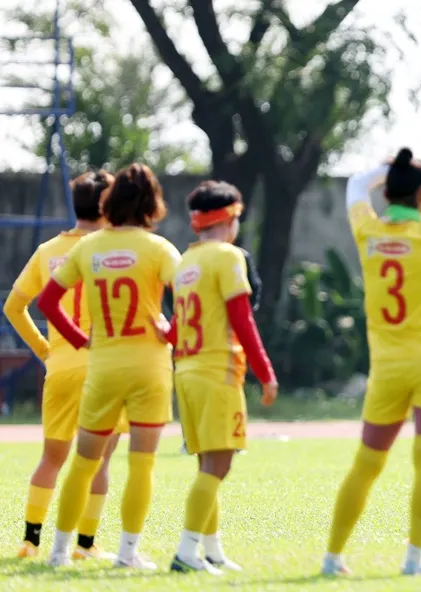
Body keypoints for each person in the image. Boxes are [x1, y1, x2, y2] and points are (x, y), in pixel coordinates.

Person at [321, 148, 421, 577]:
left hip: (388, 368)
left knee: (367, 462)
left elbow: (356, 184)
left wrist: (388, 170)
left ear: (389, 192)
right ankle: (414, 561)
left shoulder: (367, 231)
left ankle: (332, 557)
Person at [36, 163, 182, 568]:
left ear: (110, 201)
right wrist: (170, 332)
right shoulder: (160, 249)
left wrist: (80, 338)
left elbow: (47, 302)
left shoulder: (88, 247)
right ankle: (128, 553)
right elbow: (191, 299)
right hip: (149, 367)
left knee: (84, 462)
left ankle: (59, 551)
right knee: (141, 463)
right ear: (153, 203)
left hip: (103, 366)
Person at [4, 171, 129, 561]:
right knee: (100, 459)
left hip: (60, 366)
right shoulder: (114, 250)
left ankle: (30, 540)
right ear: (108, 206)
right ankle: (85, 545)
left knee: (52, 457)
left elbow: (13, 307)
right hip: (104, 366)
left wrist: (45, 350)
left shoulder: (47, 251)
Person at [160, 180, 278, 575]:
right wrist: (265, 372)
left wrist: (161, 332)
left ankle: (212, 550)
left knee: (207, 464)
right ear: (229, 218)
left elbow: (176, 327)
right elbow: (242, 321)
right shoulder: (228, 257)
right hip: (216, 370)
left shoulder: (184, 262)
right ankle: (186, 551)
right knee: (219, 465)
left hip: (186, 370)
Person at [178, 245, 260, 457]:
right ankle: (225, 440)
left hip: (189, 352)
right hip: (218, 346)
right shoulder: (234, 256)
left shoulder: (189, 259)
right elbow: (253, 294)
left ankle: (196, 439)